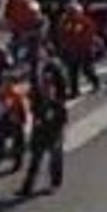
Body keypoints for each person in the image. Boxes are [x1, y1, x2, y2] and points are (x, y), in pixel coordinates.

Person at [19, 65, 68, 197]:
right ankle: (27, 187)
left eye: (49, 87)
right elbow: (32, 107)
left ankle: (55, 184)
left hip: (54, 134)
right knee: (35, 161)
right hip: (40, 133)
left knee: (55, 160)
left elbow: (63, 119)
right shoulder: (38, 99)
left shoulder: (57, 103)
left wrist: (56, 131)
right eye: (44, 87)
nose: (47, 90)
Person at [58, 1, 101, 99]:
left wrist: (85, 45)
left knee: (87, 69)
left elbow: (90, 34)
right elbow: (62, 35)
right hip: (72, 51)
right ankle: (74, 90)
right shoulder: (66, 23)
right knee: (72, 71)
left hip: (85, 50)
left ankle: (96, 83)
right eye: (70, 12)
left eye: (73, 12)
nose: (71, 14)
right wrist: (65, 46)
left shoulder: (86, 21)